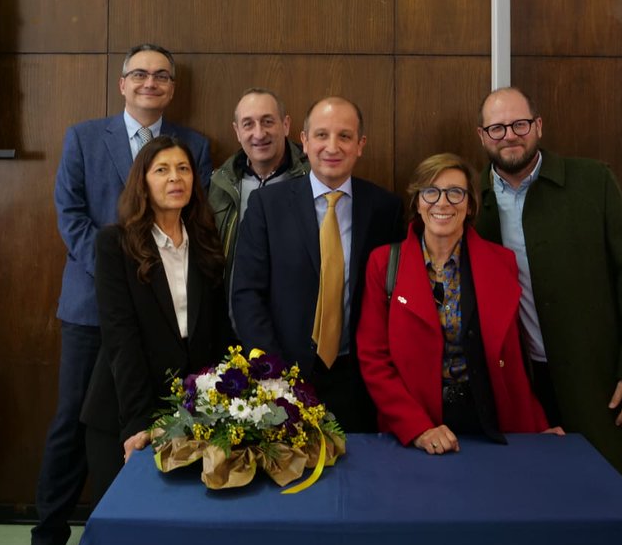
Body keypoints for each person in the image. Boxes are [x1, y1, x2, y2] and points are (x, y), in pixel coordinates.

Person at [23, 43, 212, 545]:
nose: (150, 82)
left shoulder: (194, 146)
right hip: (90, 306)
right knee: (74, 422)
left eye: (161, 76)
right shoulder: (83, 138)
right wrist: (122, 278)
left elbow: (197, 222)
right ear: (122, 83)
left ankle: (160, 534)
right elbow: (71, 216)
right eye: (139, 74)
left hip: (165, 315)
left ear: (172, 88)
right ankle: (47, 540)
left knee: (168, 417)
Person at [473, 86, 622, 509]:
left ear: (538, 126)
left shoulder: (592, 182)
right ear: (482, 135)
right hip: (520, 384)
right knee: (532, 501)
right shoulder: (470, 201)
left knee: (610, 500)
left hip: (600, 379)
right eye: (497, 127)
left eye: (519, 124)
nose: (509, 135)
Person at [357, 153, 560, 454]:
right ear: (417, 202)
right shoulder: (384, 263)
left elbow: (513, 361)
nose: (442, 203)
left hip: (490, 422)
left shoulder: (502, 263)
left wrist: (536, 426)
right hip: (417, 428)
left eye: (455, 193)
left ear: (470, 205)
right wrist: (417, 427)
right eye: (431, 192)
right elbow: (374, 359)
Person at [231, 96, 402, 432]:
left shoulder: (385, 208)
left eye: (345, 136)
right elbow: (246, 293)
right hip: (284, 378)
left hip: (358, 380)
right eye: (321, 135)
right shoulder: (268, 205)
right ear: (305, 142)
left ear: (360, 145)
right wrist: (273, 373)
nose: (332, 147)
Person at [80, 136, 232, 503]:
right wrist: (137, 422)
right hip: (124, 408)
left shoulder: (206, 242)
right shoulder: (115, 243)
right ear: (142, 182)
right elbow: (120, 339)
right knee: (124, 519)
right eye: (161, 170)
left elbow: (214, 333)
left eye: (183, 169)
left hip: (191, 410)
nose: (174, 178)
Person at [208, 87, 310, 277]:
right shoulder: (221, 183)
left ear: (286, 125)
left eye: (267, 122)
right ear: (237, 131)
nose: (259, 133)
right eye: (248, 124)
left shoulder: (312, 179)